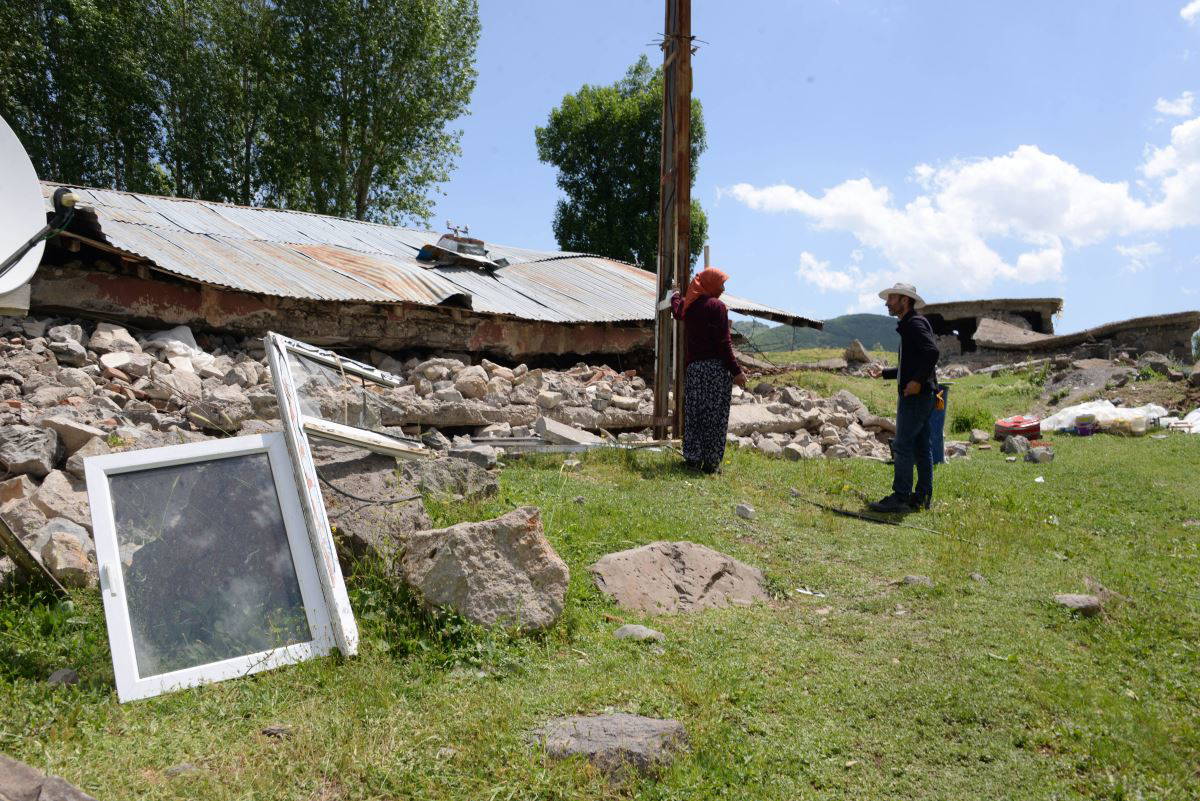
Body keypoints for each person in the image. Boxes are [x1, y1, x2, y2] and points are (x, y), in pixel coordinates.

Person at [867, 282, 940, 513]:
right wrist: (885, 373)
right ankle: (922, 497)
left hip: (917, 397)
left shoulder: (914, 324)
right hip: (925, 395)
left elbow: (932, 352)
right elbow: (914, 364)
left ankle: (900, 497)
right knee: (921, 446)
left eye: (891, 298)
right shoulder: (913, 323)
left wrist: (917, 382)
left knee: (902, 444)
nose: (887, 303)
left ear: (904, 300)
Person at [670, 267, 747, 473]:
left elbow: (677, 310)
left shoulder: (689, 306)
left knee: (694, 415)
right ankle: (711, 463)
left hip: (695, 370)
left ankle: (692, 460)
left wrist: (675, 295)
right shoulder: (717, 307)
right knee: (715, 417)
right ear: (710, 284)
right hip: (715, 371)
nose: (723, 289)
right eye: (721, 284)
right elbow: (723, 343)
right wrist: (736, 371)